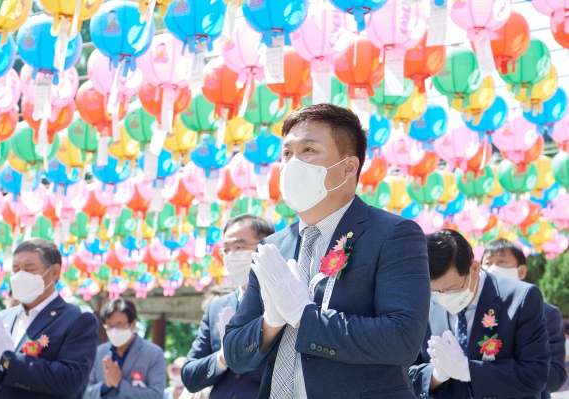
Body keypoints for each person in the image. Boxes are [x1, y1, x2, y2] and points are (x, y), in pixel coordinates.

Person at [223, 103, 431, 399]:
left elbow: (402, 339)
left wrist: (304, 317)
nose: (292, 163)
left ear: (348, 167)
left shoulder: (392, 234)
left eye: (308, 150)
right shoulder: (273, 247)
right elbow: (234, 352)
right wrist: (270, 322)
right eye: (287, 153)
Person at [409, 229, 551, 399]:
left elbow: (534, 375)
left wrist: (469, 371)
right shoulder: (423, 303)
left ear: (474, 268)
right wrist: (436, 375)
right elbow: (405, 373)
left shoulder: (521, 298)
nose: (443, 296)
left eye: (451, 289)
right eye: (435, 290)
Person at [0, 238, 99, 398]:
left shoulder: (77, 320)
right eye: (15, 269)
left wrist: (7, 358)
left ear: (54, 272)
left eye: (29, 269)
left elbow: (70, 381)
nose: (19, 276)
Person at [182, 215, 275, 399]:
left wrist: (241, 350)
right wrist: (223, 357)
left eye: (239, 247)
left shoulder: (280, 301)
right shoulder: (216, 308)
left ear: (269, 245)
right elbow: (189, 376)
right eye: (226, 250)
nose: (231, 255)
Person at [482, 238, 567, 399]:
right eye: (487, 262)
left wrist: (525, 366)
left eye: (502, 261)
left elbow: (556, 377)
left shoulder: (547, 313)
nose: (493, 268)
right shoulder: (475, 310)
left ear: (521, 272)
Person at [83, 298, 166, 399]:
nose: (114, 331)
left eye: (119, 325)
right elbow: (84, 392)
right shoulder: (98, 352)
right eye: (110, 325)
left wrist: (120, 383)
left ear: (133, 324)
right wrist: (106, 386)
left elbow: (156, 395)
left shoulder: (154, 353)